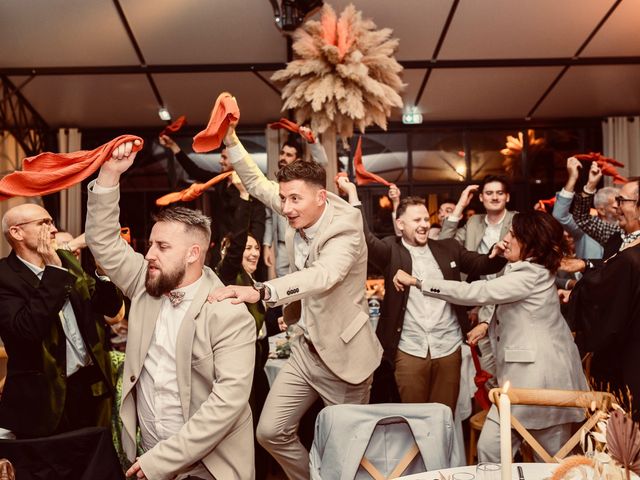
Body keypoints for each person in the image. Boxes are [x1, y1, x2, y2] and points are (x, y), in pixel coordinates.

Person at [211, 120, 382, 480]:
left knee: (347, 454)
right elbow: (256, 183)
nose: (286, 209)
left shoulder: (346, 228)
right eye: (284, 198)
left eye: (293, 199)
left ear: (320, 197)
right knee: (270, 431)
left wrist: (260, 291)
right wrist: (231, 138)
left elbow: (322, 276)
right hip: (306, 350)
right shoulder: (299, 205)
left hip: (345, 359)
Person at [85, 139, 257, 480]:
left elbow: (225, 405)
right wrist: (109, 175)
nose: (149, 254)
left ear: (193, 254)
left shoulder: (228, 313)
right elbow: (102, 240)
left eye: (162, 246)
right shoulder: (145, 284)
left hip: (208, 466)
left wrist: (161, 462)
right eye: (151, 244)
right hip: (147, 450)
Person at [395, 210, 588, 461]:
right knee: (489, 450)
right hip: (516, 385)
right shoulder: (522, 269)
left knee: (551, 461)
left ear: (531, 244)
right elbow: (514, 305)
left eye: (513, 234)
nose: (506, 238)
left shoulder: (532, 273)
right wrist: (486, 324)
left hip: (543, 381)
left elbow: (480, 291)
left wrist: (418, 282)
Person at [338, 178, 506, 412]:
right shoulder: (391, 251)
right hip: (410, 350)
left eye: (426, 219)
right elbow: (364, 238)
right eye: (417, 220)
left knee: (444, 416)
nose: (424, 225)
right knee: (412, 418)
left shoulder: (448, 248)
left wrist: (497, 254)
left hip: (448, 348)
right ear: (400, 224)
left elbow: (482, 265)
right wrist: (353, 195)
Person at [0, 204, 122, 440]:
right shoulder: (4, 276)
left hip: (89, 390)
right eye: (43, 223)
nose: (53, 229)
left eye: (52, 222)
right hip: (41, 401)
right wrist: (54, 270)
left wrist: (102, 272)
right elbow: (26, 330)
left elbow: (108, 308)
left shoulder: (67, 260)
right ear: (17, 233)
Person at [569, 178, 640, 419]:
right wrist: (587, 266)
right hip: (615, 341)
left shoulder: (633, 254)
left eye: (623, 200)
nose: (617, 206)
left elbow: (618, 275)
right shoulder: (618, 237)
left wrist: (578, 291)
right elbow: (611, 272)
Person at [159, 134, 266, 268]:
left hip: (241, 249)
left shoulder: (250, 187)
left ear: (236, 161)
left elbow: (258, 221)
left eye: (224, 157)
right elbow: (195, 171)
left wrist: (251, 249)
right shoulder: (220, 180)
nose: (220, 161)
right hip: (220, 247)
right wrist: (174, 147)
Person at [263, 128, 329, 279]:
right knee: (283, 285)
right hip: (281, 245)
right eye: (282, 153)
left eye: (288, 155)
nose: (283, 157)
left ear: (297, 159)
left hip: (301, 240)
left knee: (302, 283)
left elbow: (322, 163)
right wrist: (267, 245)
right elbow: (268, 218)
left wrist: (312, 141)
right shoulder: (275, 185)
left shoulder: (306, 180)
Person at [552, 157, 604, 259]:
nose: (618, 206)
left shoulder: (626, 229)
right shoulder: (588, 228)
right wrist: (572, 178)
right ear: (602, 209)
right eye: (617, 202)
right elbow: (559, 215)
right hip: (589, 274)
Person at [571, 161, 623, 257]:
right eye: (616, 206)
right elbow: (582, 218)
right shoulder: (612, 231)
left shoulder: (628, 226)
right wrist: (591, 184)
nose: (621, 208)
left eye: (622, 202)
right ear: (602, 210)